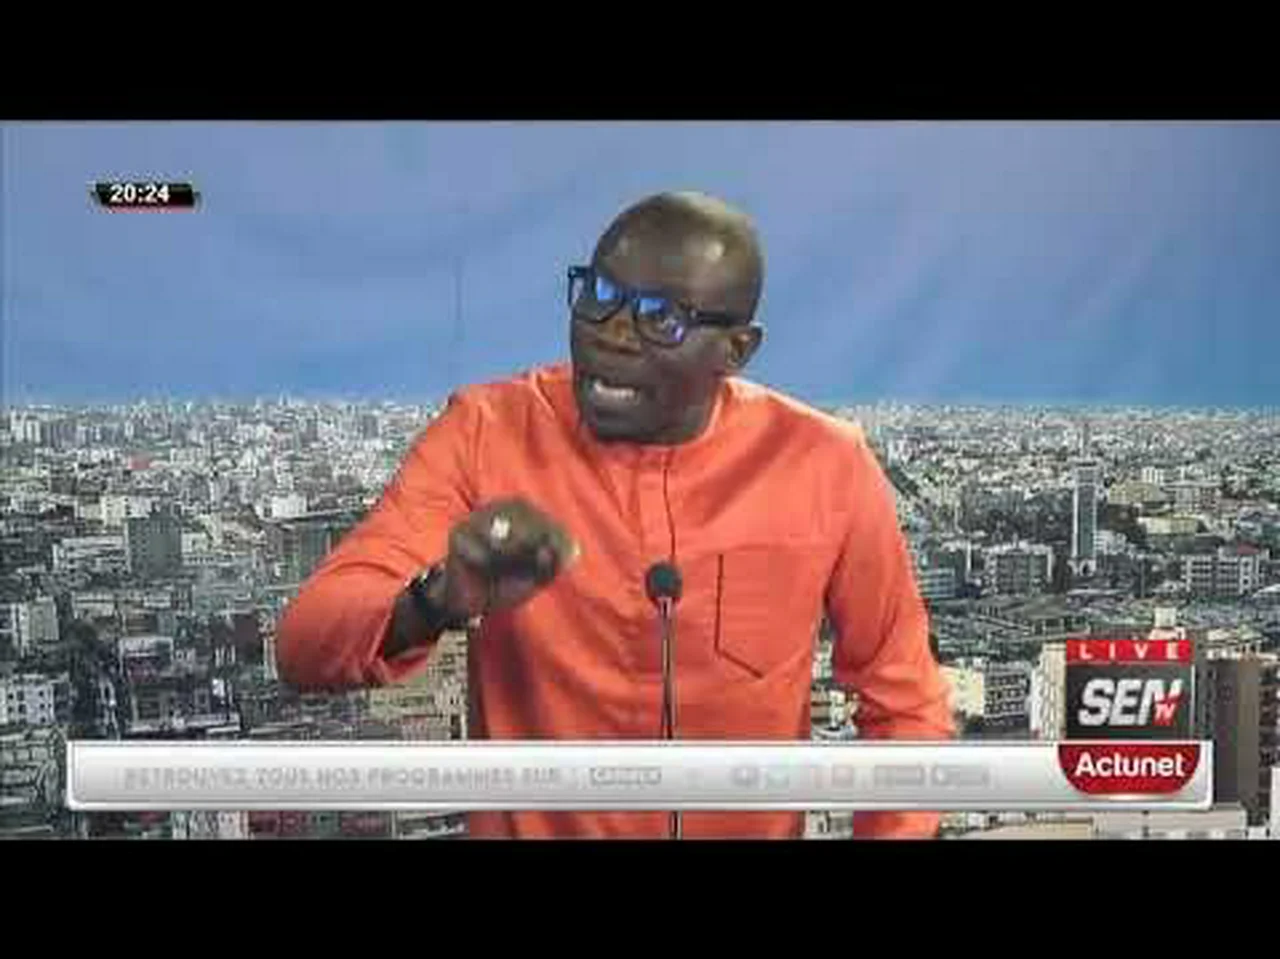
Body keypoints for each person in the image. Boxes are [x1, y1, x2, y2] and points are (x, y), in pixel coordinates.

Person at [276, 191, 954, 839]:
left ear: (737, 349)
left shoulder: (824, 463)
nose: (615, 335)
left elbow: (905, 705)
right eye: (600, 295)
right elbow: (305, 644)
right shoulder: (487, 432)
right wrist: (438, 599)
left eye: (663, 317)